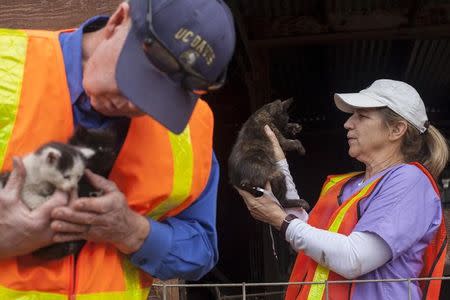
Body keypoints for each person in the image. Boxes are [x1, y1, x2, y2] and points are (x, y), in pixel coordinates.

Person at [0, 0, 235, 298]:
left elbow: (200, 248)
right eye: (135, 79)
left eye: (160, 99)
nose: (136, 104)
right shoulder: (5, 68)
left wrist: (131, 231)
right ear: (117, 21)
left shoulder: (194, 127)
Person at [238, 79, 448, 299]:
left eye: (362, 116)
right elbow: (312, 241)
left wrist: (281, 220)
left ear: (396, 129)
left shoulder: (411, 181)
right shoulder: (344, 185)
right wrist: (280, 168)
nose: (348, 123)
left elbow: (354, 258)